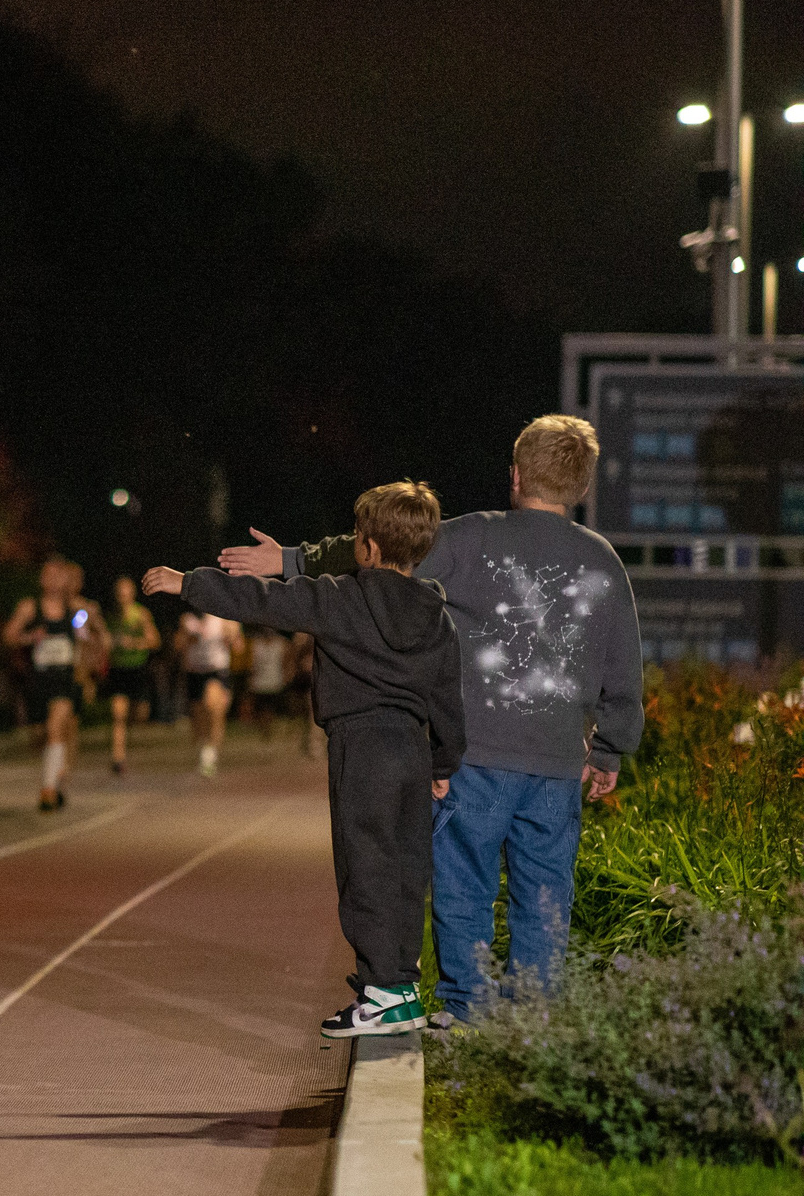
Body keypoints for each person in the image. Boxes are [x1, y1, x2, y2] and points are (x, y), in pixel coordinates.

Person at [219, 415, 644, 1024]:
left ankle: (467, 1009)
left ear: (516, 475)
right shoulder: (603, 560)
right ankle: (535, 1019)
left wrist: (290, 560)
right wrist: (610, 747)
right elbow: (622, 660)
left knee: (463, 883)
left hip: (474, 756)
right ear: (581, 488)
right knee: (546, 892)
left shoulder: (469, 539)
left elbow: (383, 555)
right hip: (557, 764)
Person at [146, 481, 465, 1038]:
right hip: (413, 749)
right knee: (407, 864)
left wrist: (187, 584)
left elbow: (261, 599)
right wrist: (443, 763)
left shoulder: (341, 595)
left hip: (360, 745)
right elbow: (447, 697)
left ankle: (380, 992)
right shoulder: (436, 615)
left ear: (365, 548)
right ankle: (403, 984)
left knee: (363, 864)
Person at [0, 554, 107, 811]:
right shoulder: (30, 608)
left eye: (57, 575)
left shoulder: (77, 610)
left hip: (67, 677)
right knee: (42, 735)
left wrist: (91, 657)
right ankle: (57, 769)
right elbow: (8, 636)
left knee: (57, 725)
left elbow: (96, 637)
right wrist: (29, 638)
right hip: (39, 678)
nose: (52, 581)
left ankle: (49, 787)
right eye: (47, 575)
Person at [103, 573, 159, 775]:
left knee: (139, 714)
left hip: (138, 668)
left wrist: (134, 643)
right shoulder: (111, 617)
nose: (122, 596)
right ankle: (118, 757)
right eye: (119, 592)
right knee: (118, 715)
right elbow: (104, 642)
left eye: (126, 591)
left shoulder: (141, 614)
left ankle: (128, 736)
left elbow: (154, 641)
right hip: (119, 669)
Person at [178, 606, 238, 776]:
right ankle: (204, 749)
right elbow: (178, 645)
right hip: (195, 672)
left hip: (216, 671)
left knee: (213, 708)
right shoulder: (188, 619)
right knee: (199, 718)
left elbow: (237, 644)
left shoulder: (222, 616)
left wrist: (231, 635)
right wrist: (187, 639)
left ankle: (210, 754)